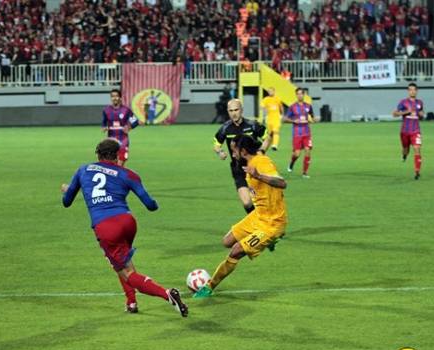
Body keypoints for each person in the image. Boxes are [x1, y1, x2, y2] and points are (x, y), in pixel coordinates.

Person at [61, 138, 188, 317]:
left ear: (97, 155)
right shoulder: (128, 174)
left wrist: (68, 190)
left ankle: (167, 295)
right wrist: (155, 204)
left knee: (126, 271)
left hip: (106, 227)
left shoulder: (83, 170)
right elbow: (150, 205)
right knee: (121, 262)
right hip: (127, 222)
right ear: (117, 156)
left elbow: (67, 202)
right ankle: (131, 302)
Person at [194, 135, 288, 298]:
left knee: (236, 251)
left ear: (243, 151)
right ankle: (271, 241)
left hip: (272, 223)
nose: (233, 153)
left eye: (234, 150)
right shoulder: (250, 162)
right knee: (227, 241)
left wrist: (259, 176)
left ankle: (209, 287)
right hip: (258, 216)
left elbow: (282, 183)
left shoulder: (262, 163)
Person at [213, 99, 271, 214]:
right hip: (238, 168)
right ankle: (257, 223)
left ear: (242, 110)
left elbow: (267, 138)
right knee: (246, 202)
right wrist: (220, 152)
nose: (234, 113)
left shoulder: (252, 125)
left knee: (261, 200)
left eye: (236, 110)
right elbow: (216, 145)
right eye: (231, 111)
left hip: (255, 168)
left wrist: (262, 150)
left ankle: (262, 224)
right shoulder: (225, 128)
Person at [392, 83, 424, 180]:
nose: (412, 91)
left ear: (417, 91)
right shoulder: (403, 102)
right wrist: (407, 111)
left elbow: (421, 115)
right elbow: (394, 114)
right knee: (406, 150)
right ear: (408, 91)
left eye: (414, 89)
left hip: (416, 131)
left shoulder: (420, 103)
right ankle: (404, 155)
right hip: (405, 131)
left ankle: (417, 172)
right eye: (410, 90)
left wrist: (420, 114)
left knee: (417, 149)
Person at [101, 89, 139, 166]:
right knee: (112, 164)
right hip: (111, 140)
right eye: (112, 96)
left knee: (120, 163)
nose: (114, 98)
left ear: (120, 97)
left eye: (116, 96)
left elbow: (135, 121)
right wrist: (104, 127)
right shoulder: (106, 110)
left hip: (123, 140)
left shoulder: (126, 110)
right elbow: (104, 122)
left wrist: (129, 127)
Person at [284, 88, 315, 178]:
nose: (299, 95)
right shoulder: (292, 107)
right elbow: (285, 119)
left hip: (306, 133)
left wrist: (312, 120)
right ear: (296, 95)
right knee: (297, 154)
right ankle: (291, 163)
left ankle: (305, 173)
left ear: (304, 95)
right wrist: (294, 120)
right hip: (297, 133)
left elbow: (312, 117)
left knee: (307, 151)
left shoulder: (308, 106)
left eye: (301, 94)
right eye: (298, 94)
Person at [260, 87, 284, 151]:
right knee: (270, 134)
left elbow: (281, 107)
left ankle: (275, 145)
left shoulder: (277, 99)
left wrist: (281, 115)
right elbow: (262, 106)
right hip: (269, 119)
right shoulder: (266, 99)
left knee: (275, 131)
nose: (270, 92)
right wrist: (264, 112)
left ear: (274, 91)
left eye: (271, 91)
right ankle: (266, 146)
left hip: (276, 119)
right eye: (269, 91)